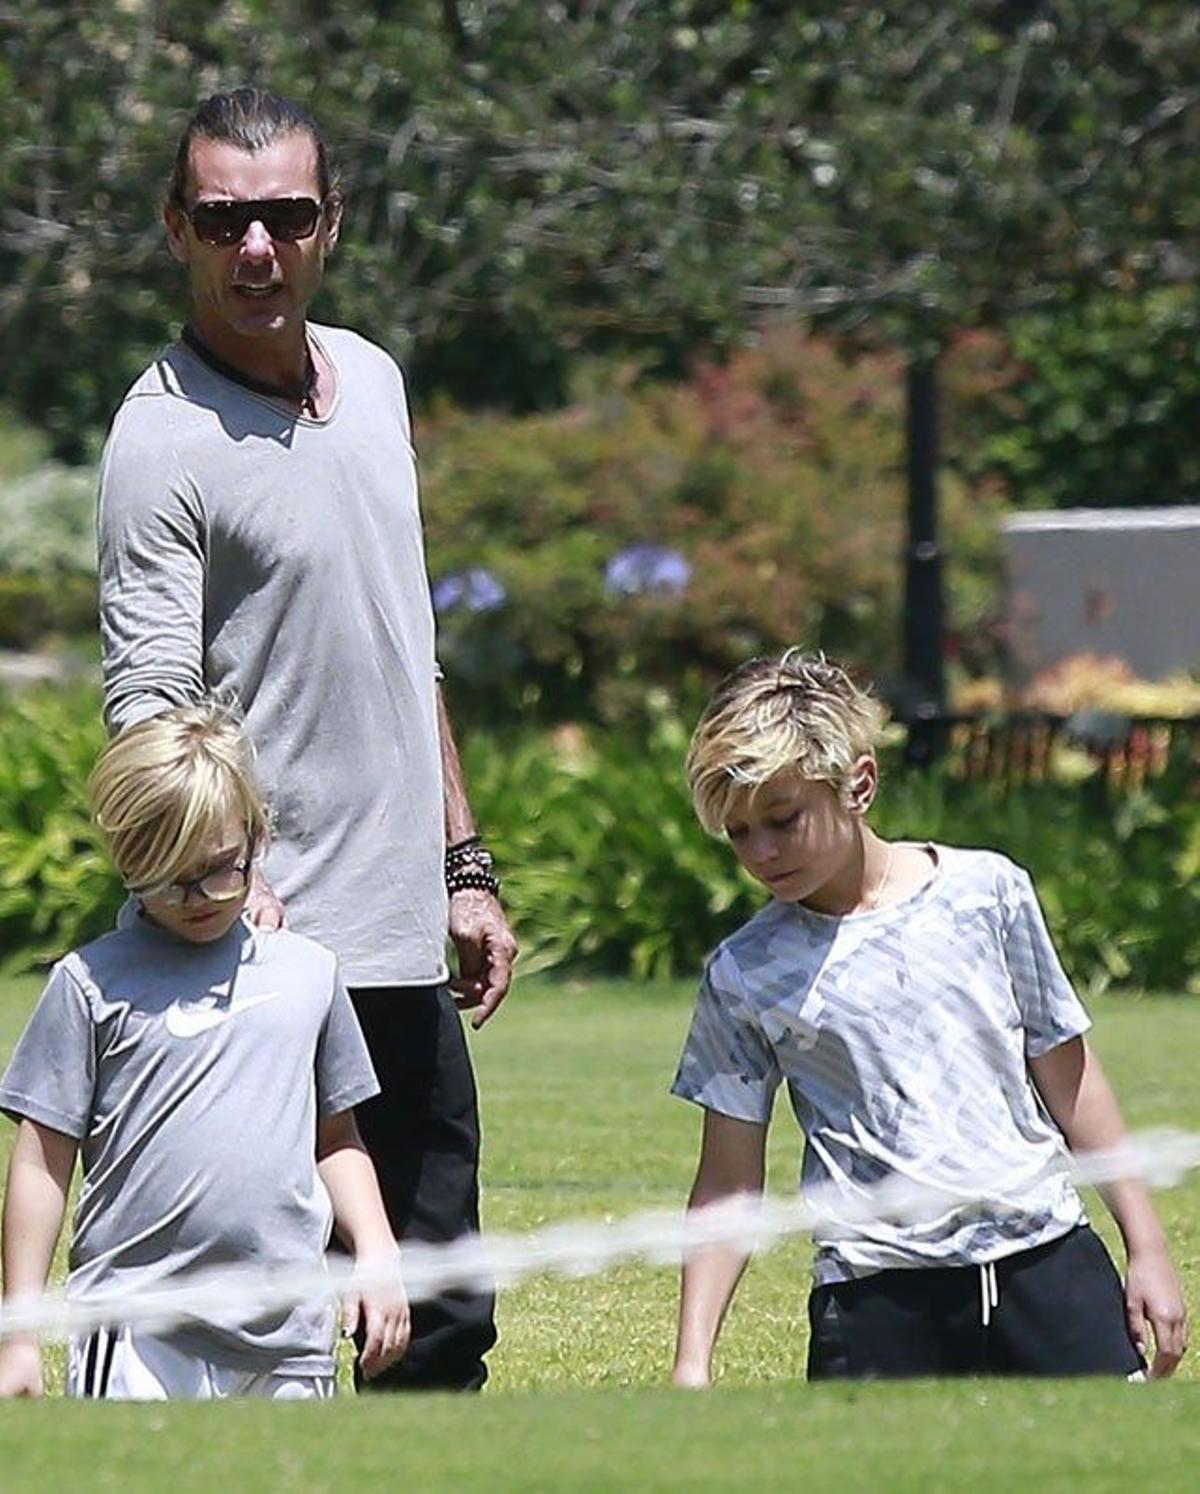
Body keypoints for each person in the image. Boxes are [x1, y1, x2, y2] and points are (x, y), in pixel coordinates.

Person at [96, 87, 517, 1391]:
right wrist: (233, 884)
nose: (258, 248)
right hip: (256, 963)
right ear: (180, 228)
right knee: (251, 1336)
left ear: (330, 221)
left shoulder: (374, 379)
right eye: (227, 220)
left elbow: (408, 650)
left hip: (398, 955)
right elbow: (150, 705)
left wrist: (463, 863)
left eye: (285, 214)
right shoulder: (160, 441)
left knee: (437, 1325)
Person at [671, 649, 1189, 1386]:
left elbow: (1070, 1080)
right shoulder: (744, 973)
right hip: (877, 1298)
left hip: (1046, 1267)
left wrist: (1148, 1247)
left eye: (782, 820)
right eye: (738, 833)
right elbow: (727, 1182)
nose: (760, 852)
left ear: (859, 784)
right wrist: (693, 1363)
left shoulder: (988, 895)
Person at [0, 703, 408, 1400]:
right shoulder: (89, 984)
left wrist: (377, 1253)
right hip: (136, 1335)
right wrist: (20, 1334)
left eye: (220, 870)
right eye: (166, 878)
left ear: (257, 836)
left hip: (290, 1339)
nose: (196, 899)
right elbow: (43, 1161)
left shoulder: (309, 973)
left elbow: (336, 1138)